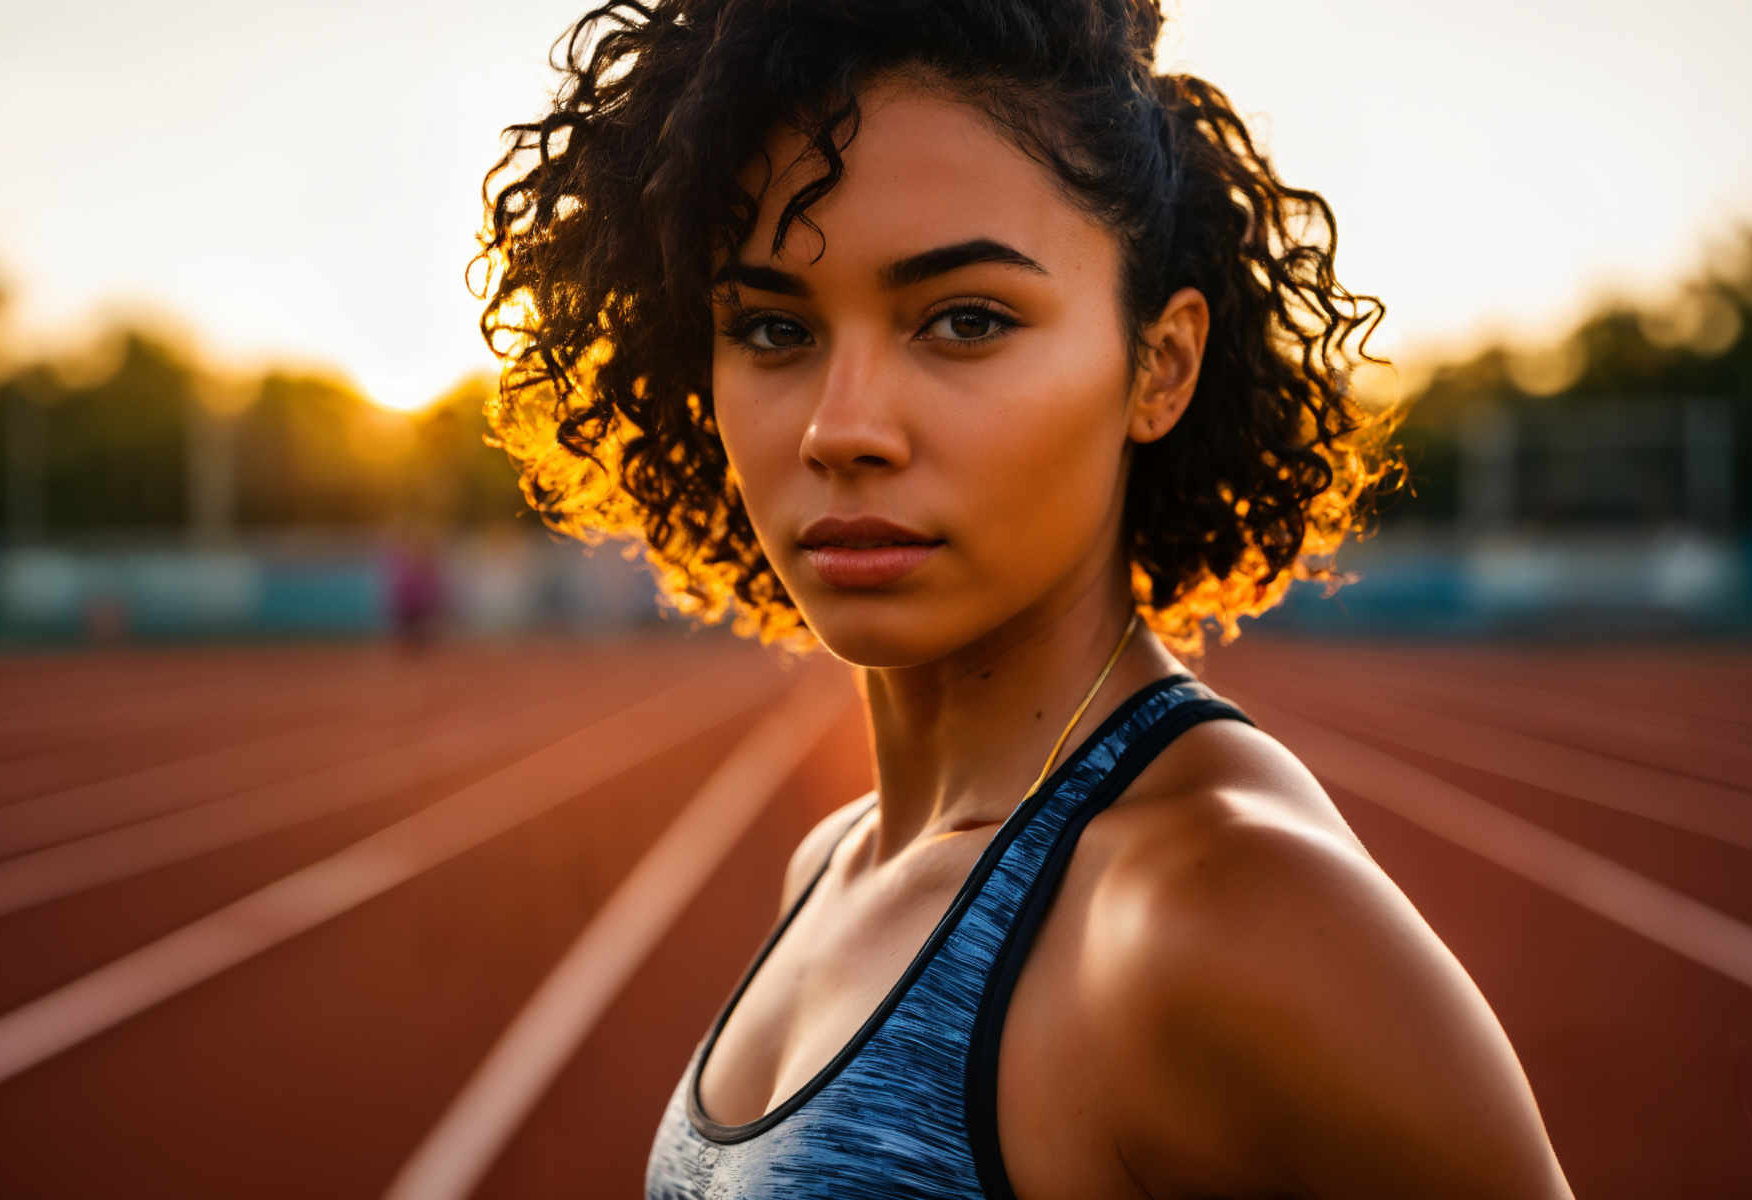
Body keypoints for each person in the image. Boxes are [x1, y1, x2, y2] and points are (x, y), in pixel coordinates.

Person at [471, 2, 1574, 1196]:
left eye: (965, 320)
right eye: (774, 327)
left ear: (1157, 365)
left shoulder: (1219, 906)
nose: (842, 428)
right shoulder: (829, 863)